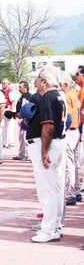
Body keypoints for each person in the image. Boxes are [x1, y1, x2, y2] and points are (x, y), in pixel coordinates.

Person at [28, 66, 66, 243]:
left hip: (48, 146)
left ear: (44, 81)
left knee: (47, 189)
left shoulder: (48, 97)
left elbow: (48, 126)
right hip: (57, 143)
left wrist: (44, 151)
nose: (35, 82)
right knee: (56, 188)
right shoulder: (59, 95)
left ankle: (49, 229)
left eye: (37, 79)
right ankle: (55, 226)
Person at [59, 72, 81, 206]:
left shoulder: (67, 95)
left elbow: (66, 117)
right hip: (76, 130)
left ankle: (70, 193)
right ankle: (76, 191)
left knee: (69, 164)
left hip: (70, 130)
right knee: (74, 163)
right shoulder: (74, 94)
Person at [12, 81, 33, 160]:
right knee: (21, 137)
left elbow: (29, 109)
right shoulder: (21, 97)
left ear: (26, 88)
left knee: (26, 138)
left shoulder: (30, 97)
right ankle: (21, 154)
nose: (19, 89)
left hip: (27, 120)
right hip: (21, 119)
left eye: (20, 87)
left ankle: (28, 155)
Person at [1, 78, 17, 148]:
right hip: (3, 110)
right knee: (4, 127)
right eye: (2, 83)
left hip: (8, 109)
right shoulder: (1, 92)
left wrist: (12, 112)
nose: (3, 84)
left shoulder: (10, 92)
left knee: (10, 127)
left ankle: (11, 142)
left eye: (5, 83)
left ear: (8, 84)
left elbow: (13, 102)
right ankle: (4, 142)